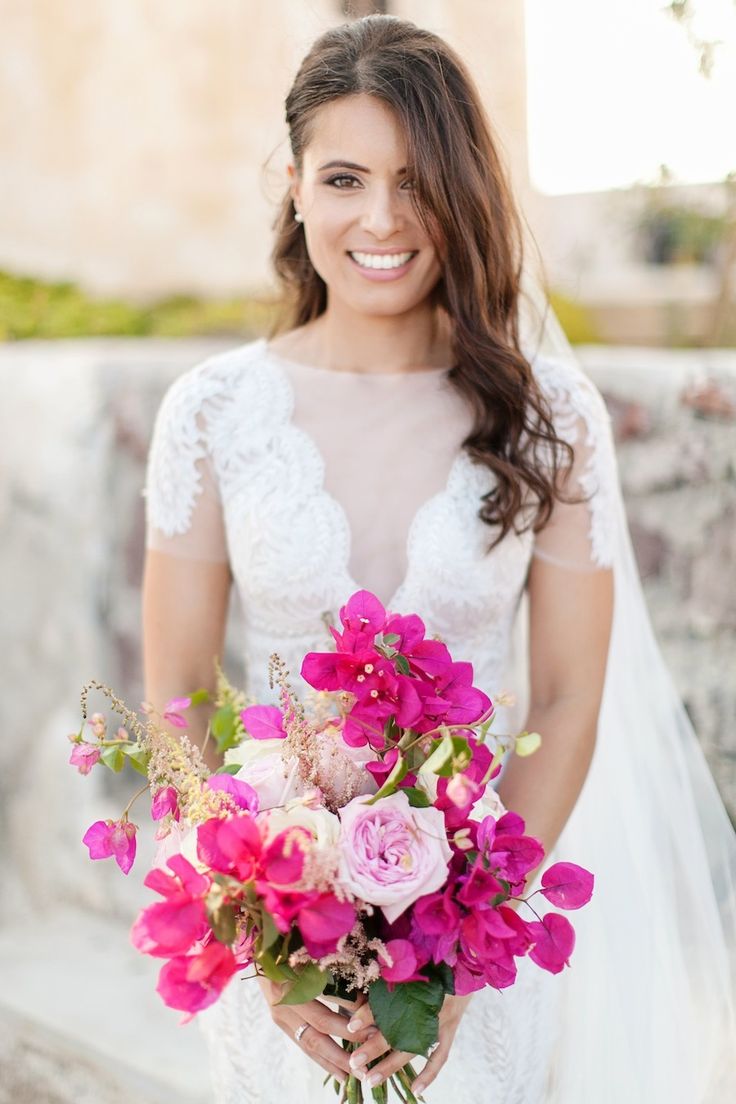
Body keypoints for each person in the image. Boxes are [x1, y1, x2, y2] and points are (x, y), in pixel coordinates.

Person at [141, 14, 736, 1104]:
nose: (381, 219)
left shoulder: (551, 415)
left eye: (416, 182)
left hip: (478, 936)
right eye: (345, 178)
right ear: (291, 184)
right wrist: (266, 940)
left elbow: (563, 695)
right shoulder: (212, 411)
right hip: (276, 935)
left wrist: (462, 951)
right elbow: (177, 692)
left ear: (463, 191)